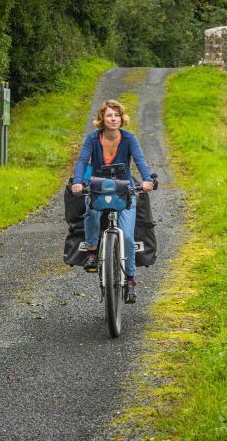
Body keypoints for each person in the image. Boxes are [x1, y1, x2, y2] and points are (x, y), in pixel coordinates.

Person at [71, 99, 154, 303]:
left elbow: (140, 159)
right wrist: (77, 182)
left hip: (124, 189)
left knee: (126, 237)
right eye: (109, 115)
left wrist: (147, 180)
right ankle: (92, 250)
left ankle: (131, 280)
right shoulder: (92, 139)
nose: (113, 119)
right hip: (99, 186)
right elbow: (82, 161)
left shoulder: (129, 138)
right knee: (91, 209)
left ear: (121, 118)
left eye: (117, 115)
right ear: (102, 119)